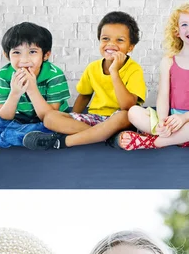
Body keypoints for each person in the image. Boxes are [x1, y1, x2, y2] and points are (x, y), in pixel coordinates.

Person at [23, 11, 146, 150]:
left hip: (120, 120)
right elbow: (84, 96)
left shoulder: (134, 69)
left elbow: (128, 106)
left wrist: (114, 72)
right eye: (105, 39)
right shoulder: (93, 68)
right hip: (95, 119)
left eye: (120, 40)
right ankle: (103, 135)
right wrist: (71, 117)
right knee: (50, 118)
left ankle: (64, 141)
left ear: (131, 47)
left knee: (124, 115)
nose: (111, 44)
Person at [117, 3, 189, 150]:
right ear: (177, 32)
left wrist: (184, 118)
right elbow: (163, 95)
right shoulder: (168, 61)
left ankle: (154, 142)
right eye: (184, 24)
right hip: (171, 118)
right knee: (133, 112)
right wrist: (162, 122)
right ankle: (187, 140)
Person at [0, 22, 70, 148]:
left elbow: (49, 116)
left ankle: (4, 138)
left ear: (45, 55)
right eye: (16, 53)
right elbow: (4, 116)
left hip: (47, 120)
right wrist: (15, 93)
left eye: (32, 52)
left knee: (56, 127)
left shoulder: (54, 75)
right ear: (7, 55)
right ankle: (20, 135)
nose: (24, 60)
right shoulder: (4, 75)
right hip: (18, 119)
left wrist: (32, 89)